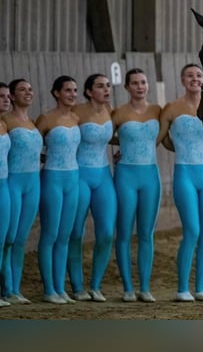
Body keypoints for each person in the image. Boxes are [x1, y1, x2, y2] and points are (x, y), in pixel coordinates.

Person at [160, 64, 203, 302]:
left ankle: (200, 288)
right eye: (190, 75)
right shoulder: (171, 108)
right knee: (192, 230)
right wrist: (178, 150)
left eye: (199, 75)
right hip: (184, 172)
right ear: (182, 80)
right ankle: (181, 289)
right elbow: (162, 139)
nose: (195, 79)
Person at [111, 68, 169, 303]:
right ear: (126, 87)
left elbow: (166, 137)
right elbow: (103, 135)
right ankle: (127, 287)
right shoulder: (118, 113)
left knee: (146, 233)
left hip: (150, 176)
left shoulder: (158, 111)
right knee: (124, 232)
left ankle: (144, 287)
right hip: (126, 174)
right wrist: (121, 143)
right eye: (134, 83)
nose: (139, 86)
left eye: (143, 82)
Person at [68, 73, 116, 302]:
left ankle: (95, 285)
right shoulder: (77, 111)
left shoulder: (110, 110)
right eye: (100, 86)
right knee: (76, 232)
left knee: (106, 232)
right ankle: (77, 287)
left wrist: (124, 147)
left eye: (108, 85)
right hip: (80, 174)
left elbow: (116, 135)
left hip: (103, 174)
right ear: (88, 91)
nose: (106, 90)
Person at [35, 75, 82, 304]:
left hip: (73, 179)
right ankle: (49, 289)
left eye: (75, 90)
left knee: (64, 236)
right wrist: (44, 157)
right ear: (56, 93)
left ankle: (60, 288)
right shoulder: (46, 118)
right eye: (67, 90)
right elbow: (30, 145)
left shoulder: (75, 118)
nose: (72, 94)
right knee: (50, 234)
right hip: (52, 177)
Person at [1, 79, 43, 304]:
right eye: (21, 90)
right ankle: (6, 288)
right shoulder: (5, 121)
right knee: (8, 238)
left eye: (30, 89)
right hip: (13, 183)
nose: (27, 92)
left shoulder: (34, 122)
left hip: (33, 183)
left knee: (20, 239)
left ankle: (15, 289)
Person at [0, 83, 11, 307]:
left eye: (8, 96)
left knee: (2, 240)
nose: (6, 100)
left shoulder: (4, 124)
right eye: (1, 96)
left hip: (4, 184)